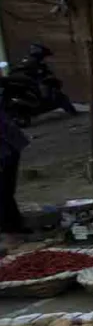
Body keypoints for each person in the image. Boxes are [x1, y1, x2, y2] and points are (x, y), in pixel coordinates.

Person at [1, 101, 30, 241]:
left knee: (4, 190)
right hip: (9, 147)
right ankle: (12, 225)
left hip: (6, 149)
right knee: (5, 190)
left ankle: (12, 229)